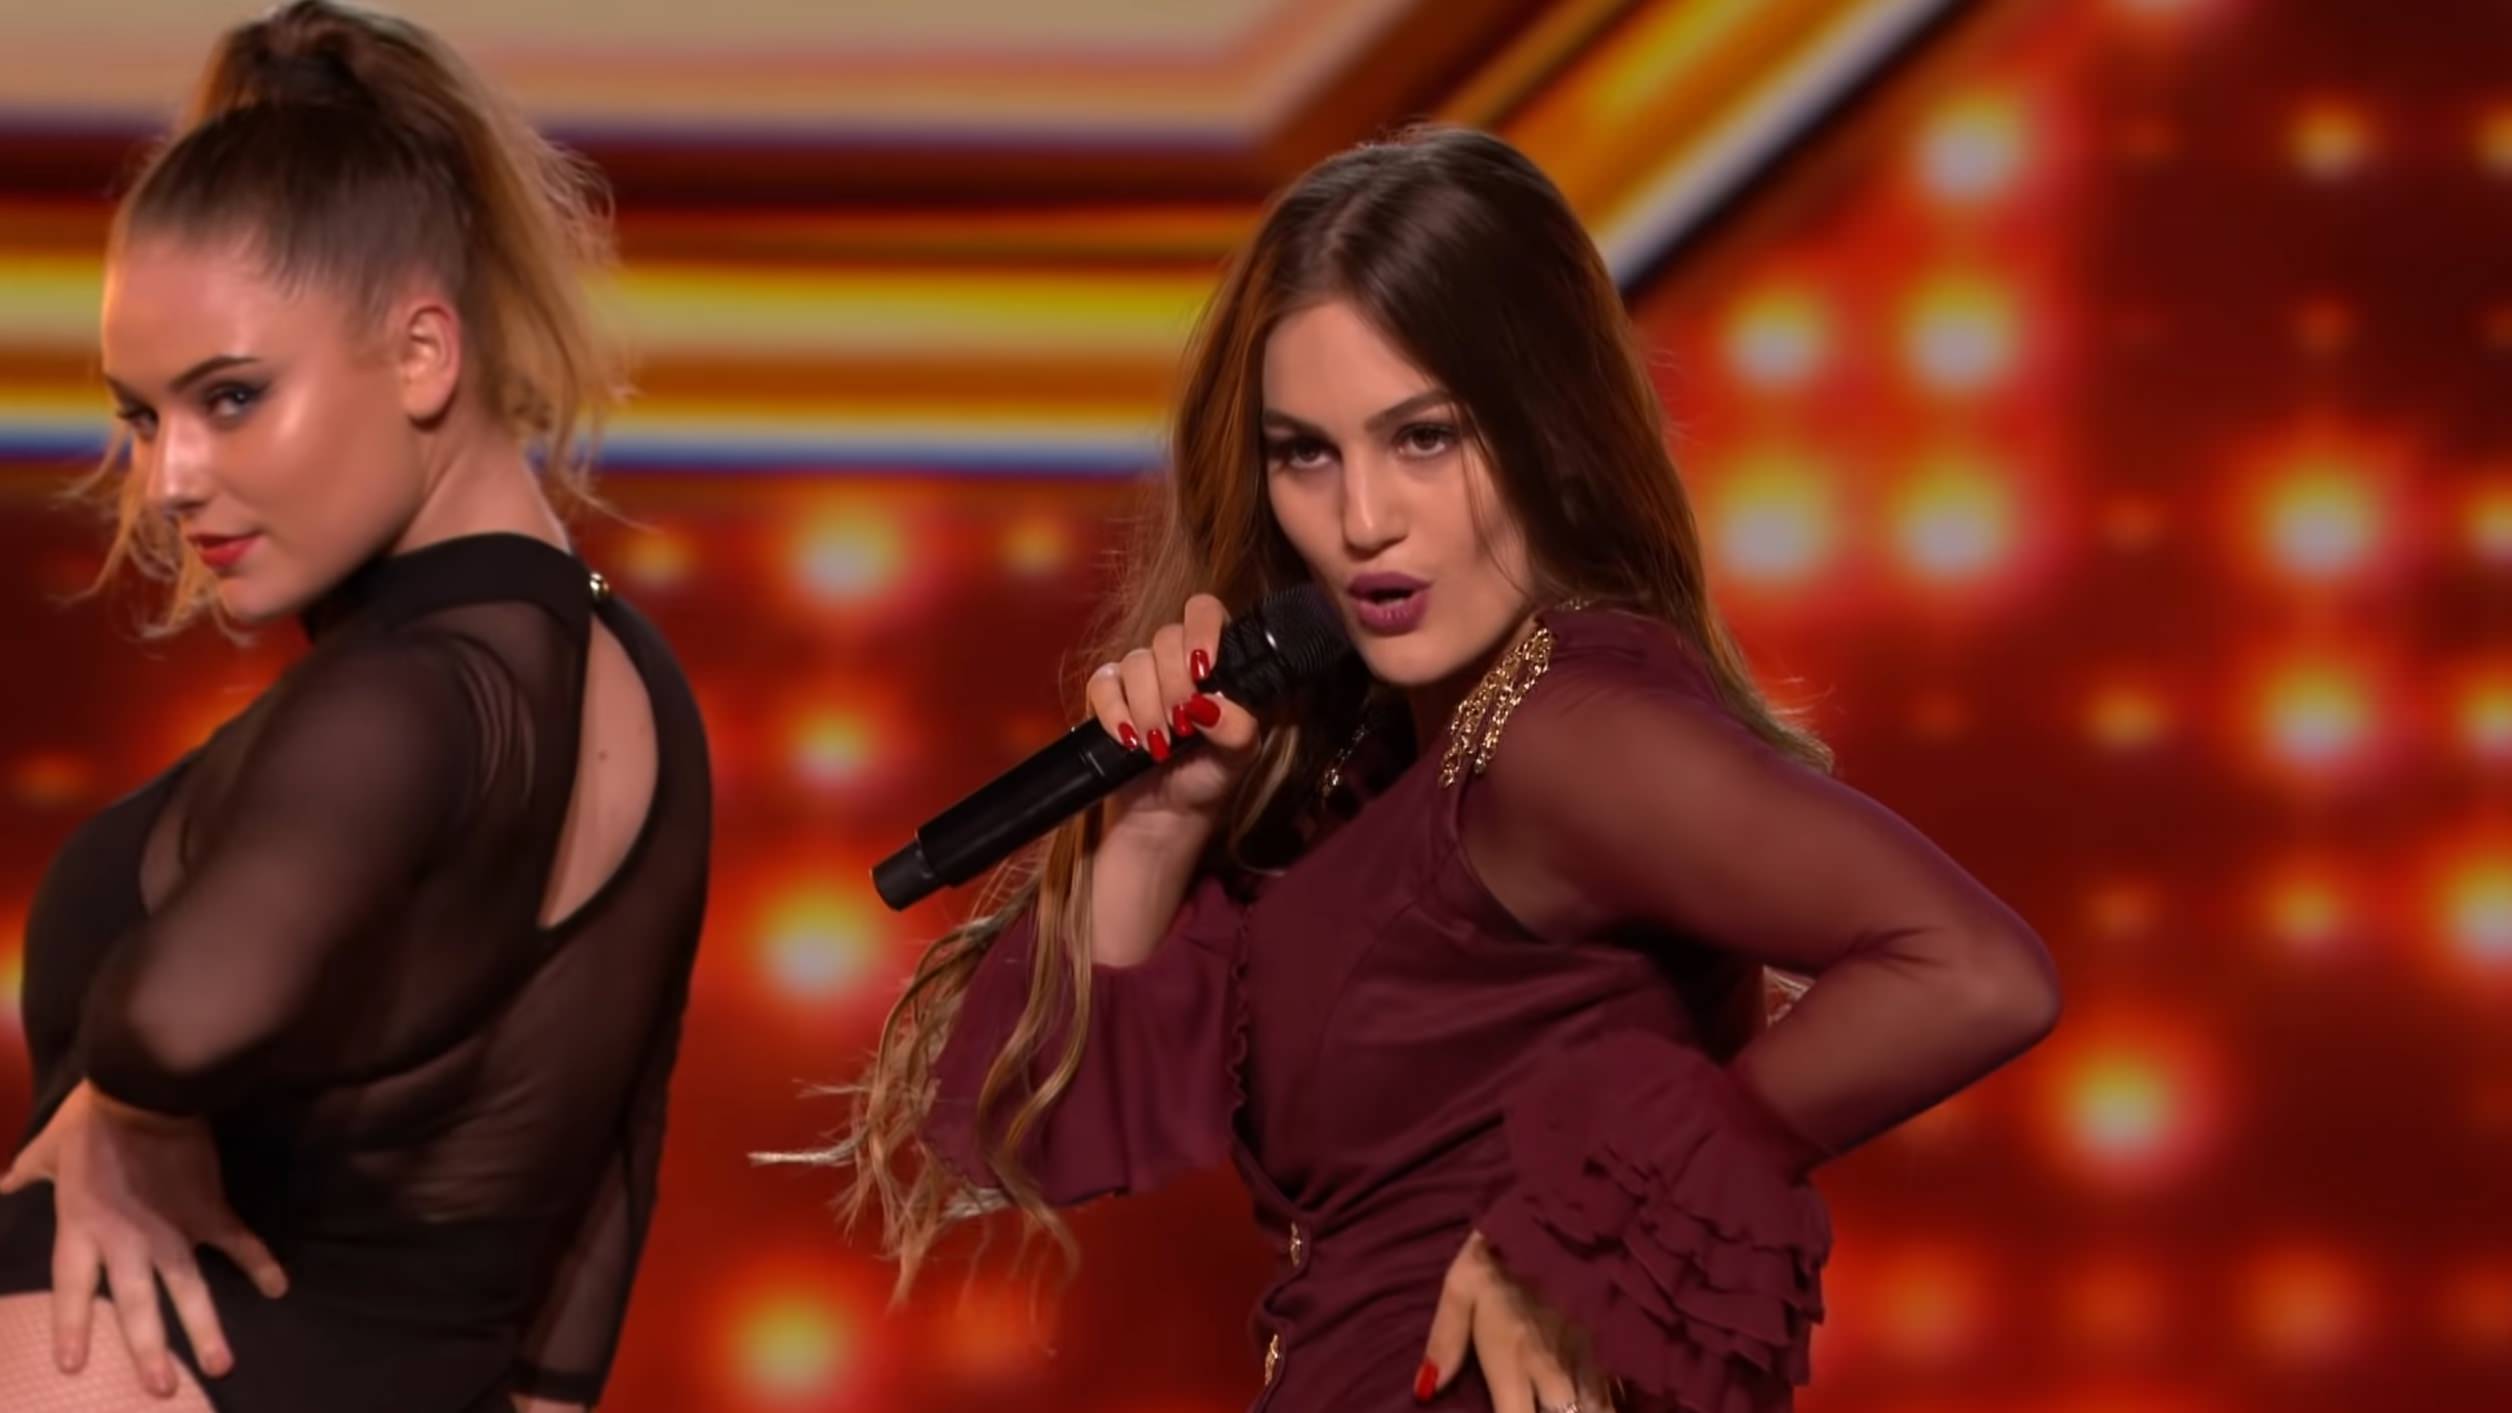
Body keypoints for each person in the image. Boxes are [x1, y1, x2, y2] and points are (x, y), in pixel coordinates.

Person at [822, 125, 2061, 1413]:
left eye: (1423, 438)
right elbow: (1023, 1132)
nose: (1363, 520)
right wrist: (1157, 821)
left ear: (1549, 429)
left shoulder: (1564, 727)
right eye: (1307, 453)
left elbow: (1972, 970)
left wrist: (1594, 1231)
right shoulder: (1376, 754)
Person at [0, 4, 710, 1410]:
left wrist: (125, 1103)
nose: (170, 480)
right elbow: (609, 1169)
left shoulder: (416, 692)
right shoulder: (631, 675)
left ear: (424, 353)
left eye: (231, 397)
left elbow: (177, 1017)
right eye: (143, 417)